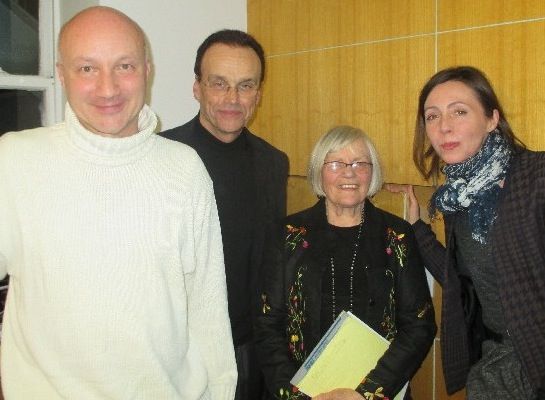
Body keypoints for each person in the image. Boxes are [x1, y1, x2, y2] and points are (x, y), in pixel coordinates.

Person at [0, 7, 237, 399]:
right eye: (87, 68)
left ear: (147, 71)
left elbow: (208, 311)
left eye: (124, 66)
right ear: (62, 75)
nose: (107, 88)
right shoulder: (14, 161)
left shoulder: (185, 169)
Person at [386, 66, 545, 399]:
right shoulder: (459, 196)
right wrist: (417, 228)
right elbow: (462, 280)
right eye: (432, 116)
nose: (444, 126)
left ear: (491, 119)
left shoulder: (536, 178)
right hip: (496, 362)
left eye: (459, 111)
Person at [256, 126, 436, 400]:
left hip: (378, 392)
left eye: (360, 163)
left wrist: (366, 393)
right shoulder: (287, 235)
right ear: (318, 171)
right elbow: (267, 324)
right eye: (336, 163)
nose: (349, 173)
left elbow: (419, 325)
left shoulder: (397, 235)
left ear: (372, 173)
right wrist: (298, 397)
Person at [161, 29, 289, 400]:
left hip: (250, 349)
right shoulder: (160, 156)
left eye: (245, 86)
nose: (232, 99)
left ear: (258, 94)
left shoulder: (273, 163)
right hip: (180, 352)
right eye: (219, 83)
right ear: (197, 88)